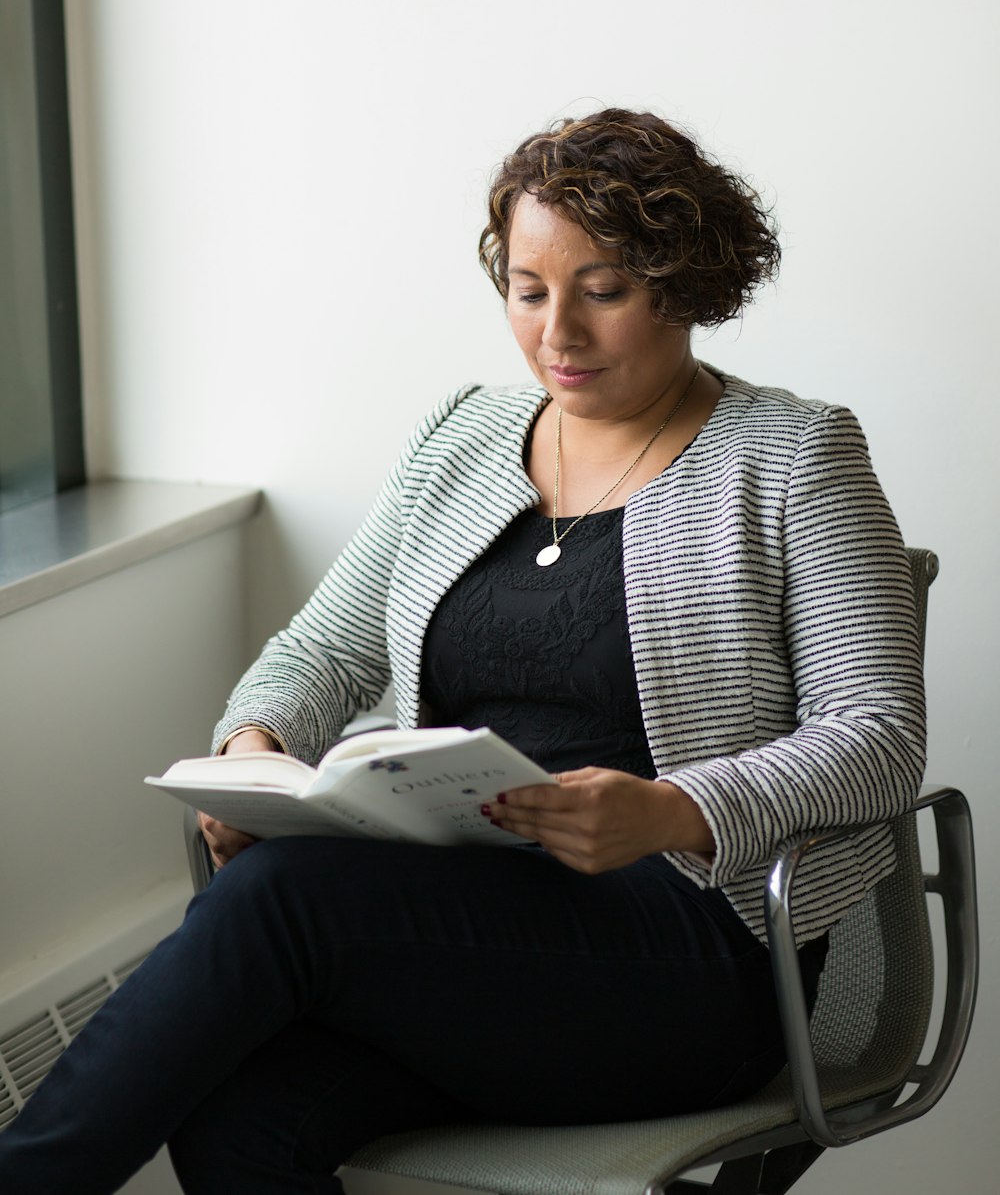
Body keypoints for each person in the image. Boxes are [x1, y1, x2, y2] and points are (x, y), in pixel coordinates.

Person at [0, 109, 925, 1194]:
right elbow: (323, 650)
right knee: (239, 1118)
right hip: (456, 940)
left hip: (682, 957)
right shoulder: (463, 436)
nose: (558, 336)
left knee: (282, 899)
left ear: (683, 282)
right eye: (528, 293)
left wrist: (666, 808)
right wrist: (256, 746)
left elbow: (877, 740)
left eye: (604, 291)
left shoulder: (794, 454)